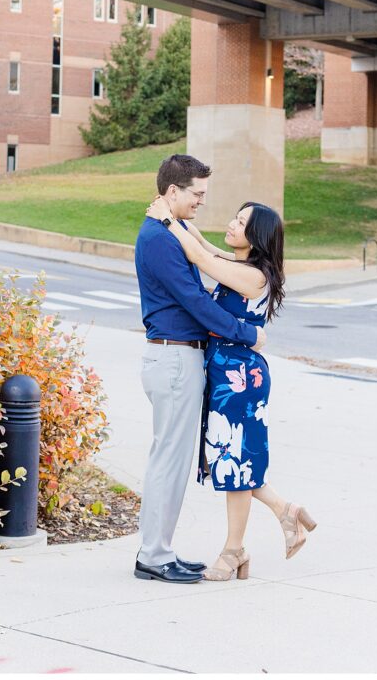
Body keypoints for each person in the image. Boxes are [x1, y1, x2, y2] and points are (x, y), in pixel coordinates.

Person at [146, 195, 317, 582]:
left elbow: (203, 260)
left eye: (240, 223)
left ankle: (237, 547)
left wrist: (169, 224)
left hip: (240, 378)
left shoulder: (254, 276)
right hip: (226, 373)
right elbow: (205, 247)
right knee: (232, 461)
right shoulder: (240, 265)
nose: (230, 225)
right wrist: (173, 216)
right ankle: (274, 520)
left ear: (255, 237)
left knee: (233, 461)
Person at [134, 154, 267, 584]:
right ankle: (153, 556)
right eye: (198, 194)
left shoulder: (169, 231)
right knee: (168, 461)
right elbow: (195, 301)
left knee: (170, 459)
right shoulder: (158, 238)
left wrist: (181, 225)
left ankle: (161, 550)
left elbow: (206, 254)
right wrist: (248, 335)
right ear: (173, 192)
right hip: (173, 356)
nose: (203, 202)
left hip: (179, 356)